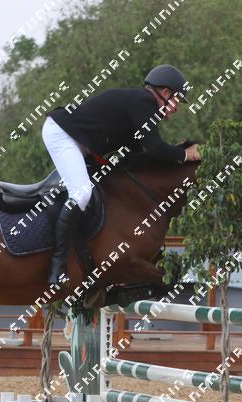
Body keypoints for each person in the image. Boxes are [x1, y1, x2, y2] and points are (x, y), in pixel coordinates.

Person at [42, 64, 201, 286]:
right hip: (63, 135)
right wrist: (185, 154)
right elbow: (155, 148)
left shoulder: (141, 106)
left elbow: (139, 156)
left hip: (78, 142)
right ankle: (57, 265)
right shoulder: (145, 102)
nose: (175, 109)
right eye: (177, 100)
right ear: (165, 93)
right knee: (82, 194)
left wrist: (174, 156)